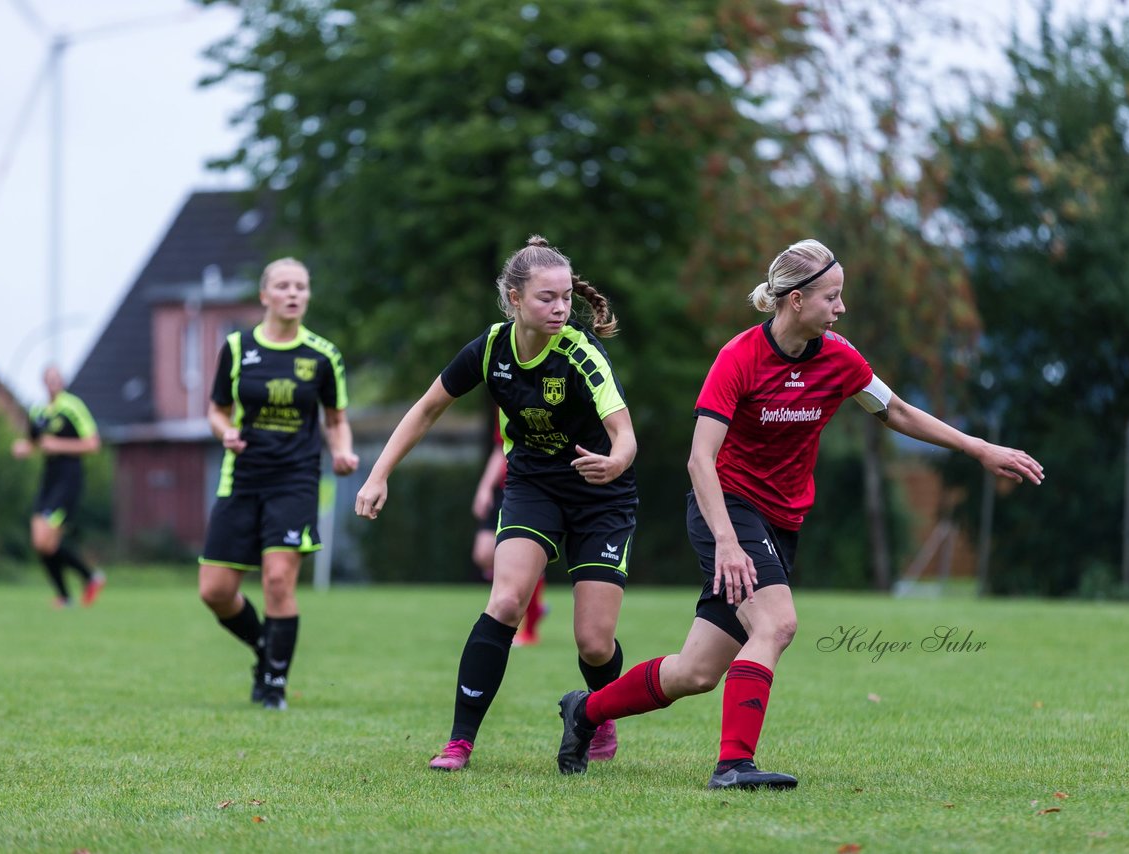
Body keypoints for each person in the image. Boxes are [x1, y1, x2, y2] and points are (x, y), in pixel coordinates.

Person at [556, 239, 1045, 789]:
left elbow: (898, 412)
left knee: (695, 672)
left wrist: (979, 449)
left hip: (779, 524)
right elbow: (699, 460)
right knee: (777, 624)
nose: (840, 309)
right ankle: (733, 765)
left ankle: (586, 711)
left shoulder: (839, 356)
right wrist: (726, 540)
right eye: (831, 298)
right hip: (727, 508)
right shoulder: (738, 358)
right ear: (794, 300)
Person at [356, 235, 636, 771]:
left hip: (602, 494)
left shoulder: (581, 352)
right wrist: (378, 475)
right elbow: (426, 408)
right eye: (545, 299)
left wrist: (616, 462)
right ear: (514, 298)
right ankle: (460, 742)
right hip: (533, 485)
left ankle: (599, 713)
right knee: (506, 601)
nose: (559, 309)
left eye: (564, 299)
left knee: (594, 642)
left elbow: (623, 434)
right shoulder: (489, 349)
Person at [197, 257, 359, 711]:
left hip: (295, 480)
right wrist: (223, 431)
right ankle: (268, 649)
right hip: (242, 478)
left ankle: (272, 685)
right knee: (215, 591)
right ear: (265, 295)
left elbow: (336, 419)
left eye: (301, 287)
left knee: (277, 580)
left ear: (307, 295)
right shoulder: (236, 347)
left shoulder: (323, 355)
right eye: (283, 286)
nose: (293, 293)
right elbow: (216, 408)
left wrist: (342, 451)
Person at [11, 366, 105, 607]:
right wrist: (25, 448)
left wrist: (58, 445)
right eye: (49, 379)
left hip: (69, 477)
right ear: (44, 382)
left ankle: (78, 585)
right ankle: (79, 585)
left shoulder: (72, 406)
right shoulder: (38, 410)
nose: (53, 383)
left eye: (57, 379)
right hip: (49, 477)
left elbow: (93, 444)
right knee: (40, 542)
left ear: (61, 381)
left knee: (47, 541)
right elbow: (35, 442)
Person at [471, 417, 547, 646]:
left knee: (528, 558)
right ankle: (527, 605)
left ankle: (528, 624)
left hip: (532, 488)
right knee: (484, 553)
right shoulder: (504, 392)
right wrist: (484, 487)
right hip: (506, 488)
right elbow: (500, 447)